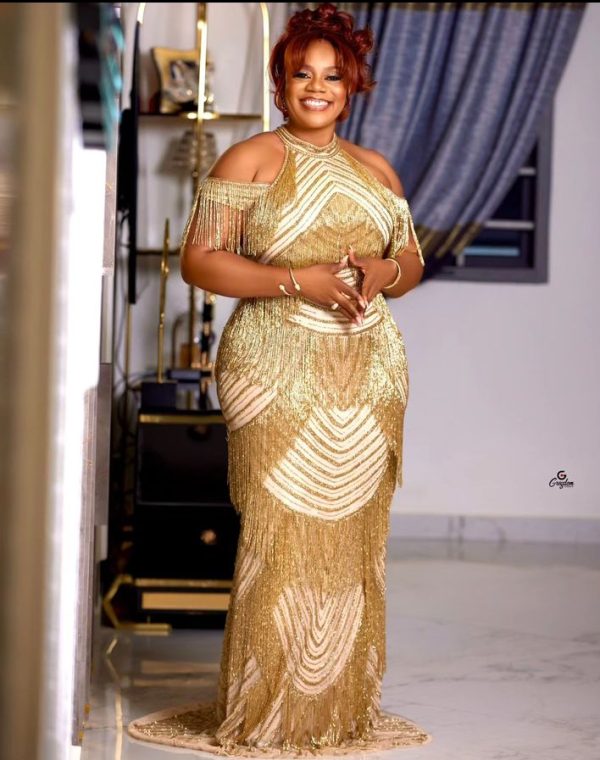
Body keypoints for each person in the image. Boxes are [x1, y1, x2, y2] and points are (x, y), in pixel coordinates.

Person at [127, 4, 432, 756]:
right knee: (280, 534)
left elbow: (412, 261)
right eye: (303, 74)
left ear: (352, 87)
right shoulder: (251, 159)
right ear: (281, 83)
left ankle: (335, 712)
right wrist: (299, 280)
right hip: (273, 368)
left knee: (354, 542)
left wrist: (385, 272)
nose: (317, 88)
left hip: (369, 372)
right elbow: (199, 262)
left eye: (333, 76)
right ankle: (268, 711)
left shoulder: (377, 170)